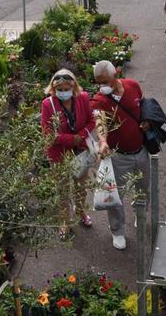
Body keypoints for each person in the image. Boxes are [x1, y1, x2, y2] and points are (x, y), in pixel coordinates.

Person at [91, 60, 151, 251]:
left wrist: (147, 120)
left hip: (141, 151)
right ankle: (117, 231)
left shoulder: (133, 85)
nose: (102, 87)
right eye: (99, 83)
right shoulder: (99, 100)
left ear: (115, 74)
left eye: (105, 82)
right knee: (115, 195)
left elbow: (144, 106)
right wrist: (103, 141)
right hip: (118, 156)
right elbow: (99, 121)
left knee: (143, 188)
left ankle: (139, 213)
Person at [40, 69, 96, 233]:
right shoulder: (47, 104)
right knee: (62, 188)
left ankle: (80, 213)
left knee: (80, 185)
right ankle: (64, 221)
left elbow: (91, 121)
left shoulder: (83, 98)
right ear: (53, 89)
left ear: (73, 87)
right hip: (58, 153)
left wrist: (80, 136)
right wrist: (72, 139)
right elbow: (48, 134)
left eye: (66, 89)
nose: (63, 93)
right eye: (60, 90)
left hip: (80, 151)